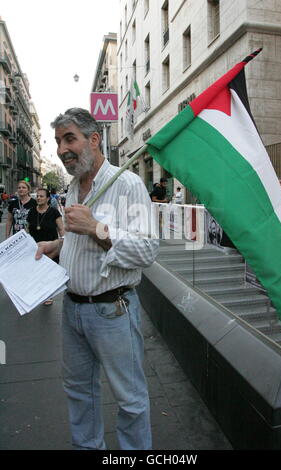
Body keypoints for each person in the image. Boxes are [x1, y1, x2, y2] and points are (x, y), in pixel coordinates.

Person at [35, 108, 159, 450]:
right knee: (78, 392)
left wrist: (97, 227)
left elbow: (148, 251)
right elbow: (80, 240)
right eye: (58, 141)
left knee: (130, 399)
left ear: (93, 139)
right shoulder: (73, 187)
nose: (62, 149)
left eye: (69, 138)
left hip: (112, 311)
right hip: (72, 310)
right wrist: (56, 245)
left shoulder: (128, 184)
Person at [27, 188, 64, 305]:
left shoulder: (54, 212)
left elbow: (61, 229)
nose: (38, 198)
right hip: (35, 246)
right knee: (36, 270)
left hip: (51, 246)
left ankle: (48, 294)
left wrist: (63, 242)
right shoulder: (32, 211)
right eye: (37, 196)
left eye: (41, 196)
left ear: (48, 198)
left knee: (48, 271)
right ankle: (38, 292)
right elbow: (28, 228)